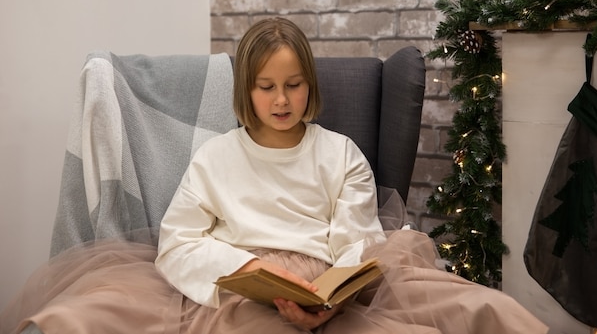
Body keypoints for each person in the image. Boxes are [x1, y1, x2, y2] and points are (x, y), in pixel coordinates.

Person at [0, 17, 548, 334]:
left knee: (482, 308)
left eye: (293, 84)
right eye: (266, 85)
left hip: (330, 289)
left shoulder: (341, 155)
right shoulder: (217, 158)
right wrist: (249, 266)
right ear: (246, 91)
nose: (281, 99)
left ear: (310, 85)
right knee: (75, 318)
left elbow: (357, 242)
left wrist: (328, 298)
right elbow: (178, 241)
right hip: (242, 286)